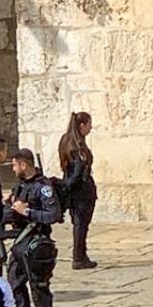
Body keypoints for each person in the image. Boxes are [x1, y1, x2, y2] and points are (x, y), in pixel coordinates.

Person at [4, 147, 62, 307]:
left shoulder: (43, 187)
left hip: (37, 245)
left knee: (39, 288)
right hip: (20, 244)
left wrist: (27, 211)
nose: (13, 169)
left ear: (23, 165)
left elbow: (53, 214)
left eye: (14, 165)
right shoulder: (21, 186)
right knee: (16, 285)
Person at [58, 111, 99, 270]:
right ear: (82, 126)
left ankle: (81, 254)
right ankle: (79, 256)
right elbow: (78, 171)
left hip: (72, 190)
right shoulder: (78, 146)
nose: (90, 127)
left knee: (78, 223)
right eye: (89, 124)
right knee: (81, 224)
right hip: (82, 190)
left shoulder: (65, 140)